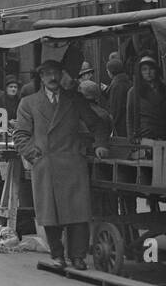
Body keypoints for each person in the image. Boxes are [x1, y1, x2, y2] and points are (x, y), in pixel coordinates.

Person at [14, 59, 111, 271]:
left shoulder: (74, 100)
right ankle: (57, 254)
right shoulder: (28, 103)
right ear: (41, 77)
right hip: (46, 164)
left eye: (55, 73)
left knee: (78, 213)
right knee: (51, 214)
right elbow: (20, 135)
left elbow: (98, 124)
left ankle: (78, 256)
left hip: (72, 162)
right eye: (47, 74)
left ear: (61, 75)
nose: (52, 78)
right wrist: (34, 155)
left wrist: (100, 145)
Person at [126, 56, 166, 141]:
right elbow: (130, 117)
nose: (148, 72)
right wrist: (132, 138)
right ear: (140, 72)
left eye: (151, 69)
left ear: (156, 71)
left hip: (165, 135)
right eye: (144, 69)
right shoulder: (134, 92)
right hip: (145, 135)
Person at [105, 58, 131, 136]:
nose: (107, 72)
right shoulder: (126, 81)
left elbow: (116, 108)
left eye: (107, 70)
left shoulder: (117, 85)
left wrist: (112, 125)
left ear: (111, 71)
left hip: (121, 124)